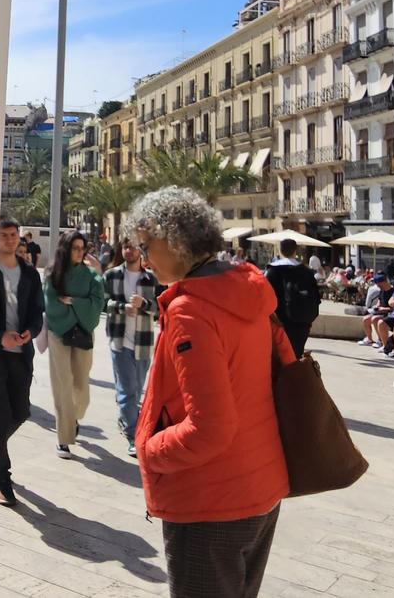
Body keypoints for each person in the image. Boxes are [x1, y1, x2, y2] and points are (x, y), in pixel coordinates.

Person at [128, 187, 289, 598]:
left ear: (175, 240)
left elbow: (210, 428)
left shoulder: (190, 310)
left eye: (146, 247)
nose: (143, 259)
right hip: (259, 486)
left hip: (210, 499)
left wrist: (149, 450)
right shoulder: (248, 292)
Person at [0, 217, 44, 507]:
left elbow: (38, 313)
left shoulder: (30, 275)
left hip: (21, 357)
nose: (10, 239)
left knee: (20, 413)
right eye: (4, 235)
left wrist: (29, 333)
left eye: (13, 235)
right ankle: (2, 480)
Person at [44, 230, 107, 459]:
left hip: (82, 333)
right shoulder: (54, 274)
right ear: (66, 249)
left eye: (83, 248)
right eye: (75, 248)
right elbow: (50, 302)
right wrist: (71, 310)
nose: (80, 252)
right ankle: (64, 438)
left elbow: (98, 303)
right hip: (58, 334)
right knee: (62, 384)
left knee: (81, 387)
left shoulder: (92, 276)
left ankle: (74, 418)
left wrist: (74, 302)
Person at [102, 240, 159, 458]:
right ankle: (133, 435)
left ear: (141, 251)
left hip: (143, 342)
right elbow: (103, 303)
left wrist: (143, 304)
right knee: (127, 391)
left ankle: (126, 418)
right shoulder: (112, 275)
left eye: (133, 247)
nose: (129, 251)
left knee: (136, 390)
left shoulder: (151, 278)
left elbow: (159, 308)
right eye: (126, 247)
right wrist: (121, 307)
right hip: (119, 340)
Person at [264, 239, 320, 356]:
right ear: (295, 251)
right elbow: (316, 299)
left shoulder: (272, 271)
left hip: (279, 323)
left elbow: (265, 299)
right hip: (302, 324)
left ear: (280, 250)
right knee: (296, 355)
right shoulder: (307, 272)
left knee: (278, 358)